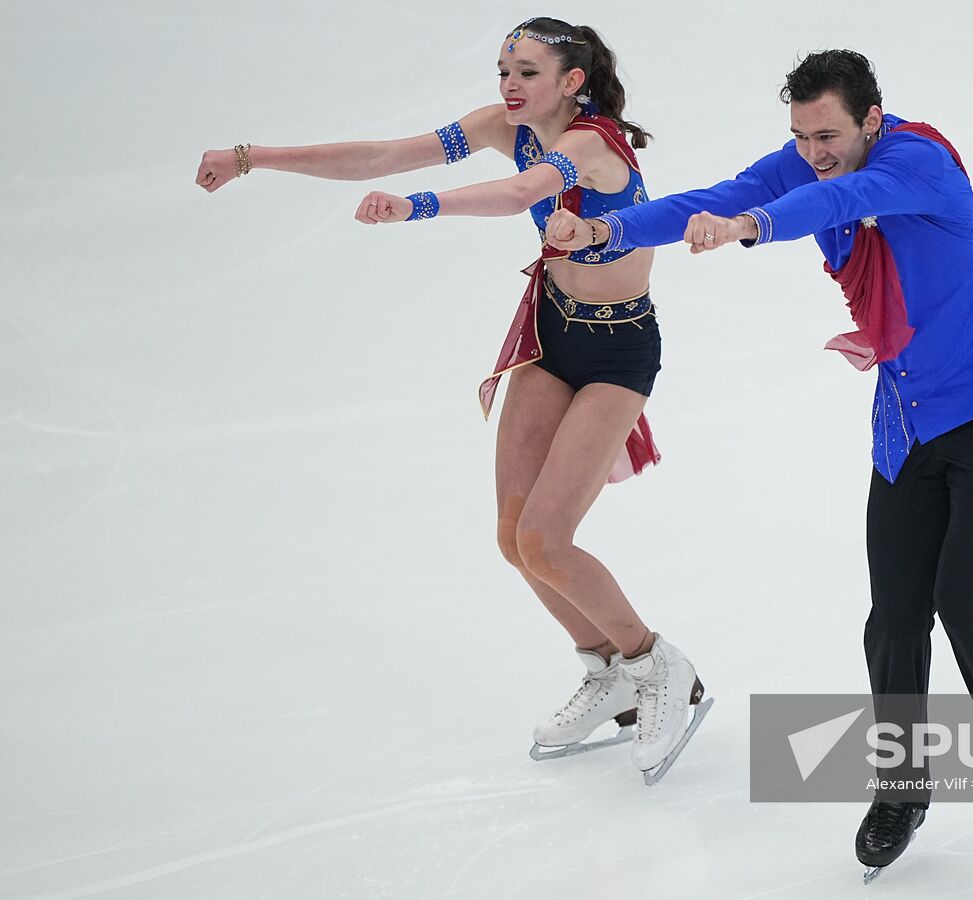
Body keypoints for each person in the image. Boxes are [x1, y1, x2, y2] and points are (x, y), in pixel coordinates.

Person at [546, 50, 973, 874]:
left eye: (828, 132)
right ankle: (903, 786)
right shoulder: (807, 159)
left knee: (966, 602)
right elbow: (718, 198)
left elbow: (838, 199)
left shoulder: (920, 162)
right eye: (800, 135)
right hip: (908, 420)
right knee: (895, 615)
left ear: (870, 120)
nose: (813, 150)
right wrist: (608, 230)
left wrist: (756, 226)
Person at [193, 16, 710, 784]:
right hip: (550, 334)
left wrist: (418, 208)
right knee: (515, 538)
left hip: (618, 352)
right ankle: (607, 671)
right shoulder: (506, 127)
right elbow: (384, 153)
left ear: (572, 82)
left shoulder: (587, 144)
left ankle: (660, 668)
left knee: (550, 540)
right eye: (504, 68)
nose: (509, 84)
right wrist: (252, 157)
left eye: (528, 72)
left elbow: (522, 193)